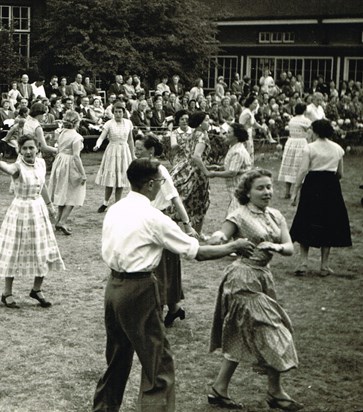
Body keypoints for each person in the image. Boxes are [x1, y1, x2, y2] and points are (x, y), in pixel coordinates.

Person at [92, 157, 255, 412]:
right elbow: (197, 252)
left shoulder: (116, 208)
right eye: (160, 181)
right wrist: (233, 246)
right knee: (157, 361)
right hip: (139, 288)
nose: (162, 185)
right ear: (149, 185)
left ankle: (103, 408)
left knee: (117, 357)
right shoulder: (153, 217)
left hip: (113, 287)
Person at [207, 168, 303, 411]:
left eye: (269, 187)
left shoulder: (276, 215)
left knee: (243, 334)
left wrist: (276, 247)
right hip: (242, 280)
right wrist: (217, 238)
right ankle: (276, 391)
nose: (267, 192)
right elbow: (223, 234)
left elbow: (290, 247)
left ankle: (220, 389)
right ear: (247, 193)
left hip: (264, 279)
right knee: (272, 330)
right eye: (260, 188)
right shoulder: (238, 215)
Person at [134, 134, 198, 326]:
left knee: (163, 268)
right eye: (135, 148)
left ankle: (163, 310)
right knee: (153, 265)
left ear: (151, 151)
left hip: (159, 221)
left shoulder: (160, 170)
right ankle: (174, 309)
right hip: (142, 219)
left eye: (139, 149)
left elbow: (174, 197)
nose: (136, 152)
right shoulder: (137, 168)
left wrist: (187, 224)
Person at [0, 134, 64, 309]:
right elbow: (8, 168)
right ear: (19, 150)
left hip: (39, 210)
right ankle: (7, 293)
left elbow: (42, 185)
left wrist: (50, 206)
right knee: (14, 250)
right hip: (20, 210)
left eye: (31, 148)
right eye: (25, 148)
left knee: (42, 249)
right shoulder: (17, 167)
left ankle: (37, 289)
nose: (28, 151)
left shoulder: (41, 163)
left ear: (37, 148)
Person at [290, 119, 352, 276]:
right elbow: (340, 173)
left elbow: (303, 170)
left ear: (315, 132)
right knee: (328, 222)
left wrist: (295, 191)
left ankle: (304, 262)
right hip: (331, 186)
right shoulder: (338, 148)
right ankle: (324, 265)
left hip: (313, 185)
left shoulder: (310, 148)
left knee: (306, 219)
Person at [170, 111, 211, 234]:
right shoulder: (201, 135)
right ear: (199, 123)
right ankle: (195, 236)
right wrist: (207, 172)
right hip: (196, 173)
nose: (209, 123)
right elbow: (196, 157)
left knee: (184, 202)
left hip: (184, 168)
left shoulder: (193, 133)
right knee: (199, 204)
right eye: (206, 120)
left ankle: (179, 233)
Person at [48, 111, 87, 235]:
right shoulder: (76, 137)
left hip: (60, 161)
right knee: (73, 192)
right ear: (77, 123)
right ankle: (62, 221)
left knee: (63, 191)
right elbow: (76, 157)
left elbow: (59, 149)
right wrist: (82, 173)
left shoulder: (62, 133)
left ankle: (59, 220)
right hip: (69, 163)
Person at [93, 102, 135, 212]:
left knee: (121, 179)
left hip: (124, 151)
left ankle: (118, 204)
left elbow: (130, 140)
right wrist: (97, 145)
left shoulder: (128, 123)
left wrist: (133, 153)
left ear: (123, 112)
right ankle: (105, 203)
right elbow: (102, 137)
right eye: (115, 112)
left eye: (120, 112)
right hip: (112, 151)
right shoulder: (109, 124)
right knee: (110, 179)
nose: (118, 114)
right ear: (113, 112)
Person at [207, 123, 251, 213]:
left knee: (235, 216)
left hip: (239, 189)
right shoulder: (234, 148)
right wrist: (219, 167)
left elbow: (232, 172)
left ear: (236, 136)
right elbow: (233, 166)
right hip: (235, 189)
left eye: (229, 132)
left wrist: (214, 174)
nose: (226, 134)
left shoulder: (238, 151)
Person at [278, 103, 312, 199]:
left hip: (291, 143)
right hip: (301, 143)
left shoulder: (292, 119)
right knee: (300, 166)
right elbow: (310, 130)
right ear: (304, 110)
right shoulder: (306, 120)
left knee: (289, 166)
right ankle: (297, 193)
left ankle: (287, 192)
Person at [239, 95, 267, 165]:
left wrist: (261, 127)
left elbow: (254, 123)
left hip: (249, 134)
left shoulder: (251, 112)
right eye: (254, 103)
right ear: (250, 104)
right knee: (246, 151)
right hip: (244, 134)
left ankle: (249, 166)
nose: (256, 105)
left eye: (257, 103)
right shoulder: (246, 113)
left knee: (250, 151)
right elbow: (242, 125)